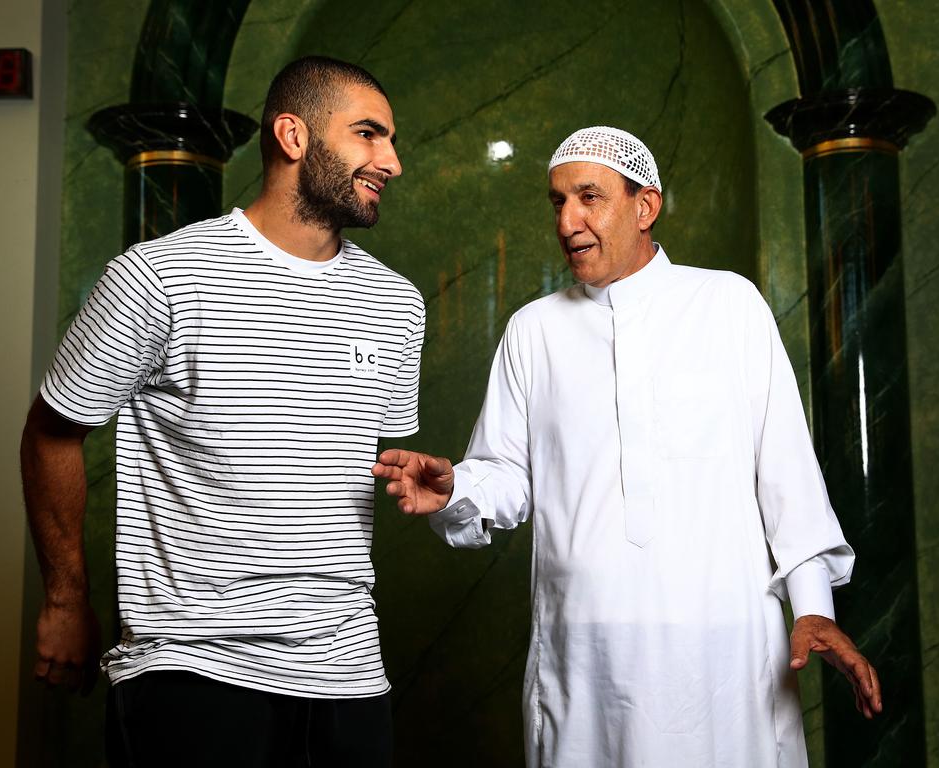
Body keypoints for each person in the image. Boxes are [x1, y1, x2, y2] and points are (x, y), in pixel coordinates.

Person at [372, 126, 881, 767]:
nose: (568, 220)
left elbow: (785, 472)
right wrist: (457, 488)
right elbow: (507, 474)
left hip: (723, 659)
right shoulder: (532, 331)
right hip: (582, 663)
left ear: (645, 207)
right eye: (557, 201)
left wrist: (813, 606)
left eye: (590, 197)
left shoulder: (728, 304)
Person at [21, 56, 423, 768]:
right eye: (369, 134)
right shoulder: (158, 276)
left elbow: (352, 462)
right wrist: (64, 600)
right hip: (191, 670)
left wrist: (421, 478)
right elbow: (52, 432)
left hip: (350, 671)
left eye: (390, 140)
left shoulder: (396, 304)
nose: (390, 160)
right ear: (294, 135)